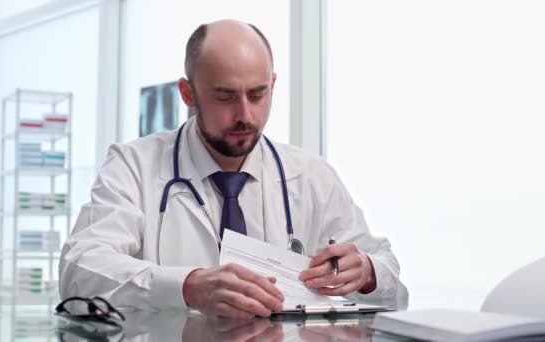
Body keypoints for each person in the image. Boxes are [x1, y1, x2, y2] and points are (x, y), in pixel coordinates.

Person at [59, 19, 407, 319]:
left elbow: (393, 281)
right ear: (188, 93)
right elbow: (80, 270)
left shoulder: (312, 176)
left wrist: (367, 272)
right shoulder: (134, 166)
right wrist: (187, 286)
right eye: (224, 97)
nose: (245, 115)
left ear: (273, 85)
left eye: (257, 94)